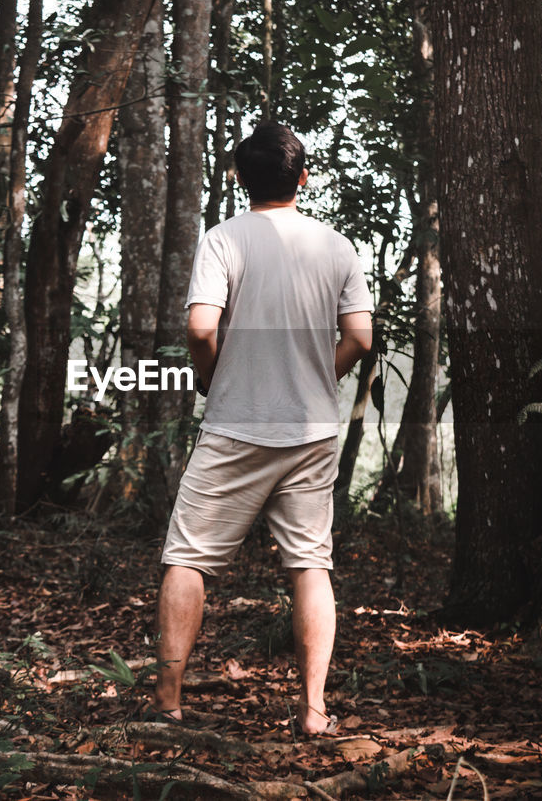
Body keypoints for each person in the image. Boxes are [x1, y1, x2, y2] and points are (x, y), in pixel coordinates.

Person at [151, 122, 374, 736]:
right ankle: (313, 711)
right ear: (303, 178)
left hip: (235, 424)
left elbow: (200, 328)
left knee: (189, 558)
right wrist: (318, 379)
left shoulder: (224, 239)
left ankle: (168, 704)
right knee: (309, 564)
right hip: (310, 428)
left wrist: (210, 378)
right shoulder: (336, 245)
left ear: (240, 179)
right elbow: (359, 338)